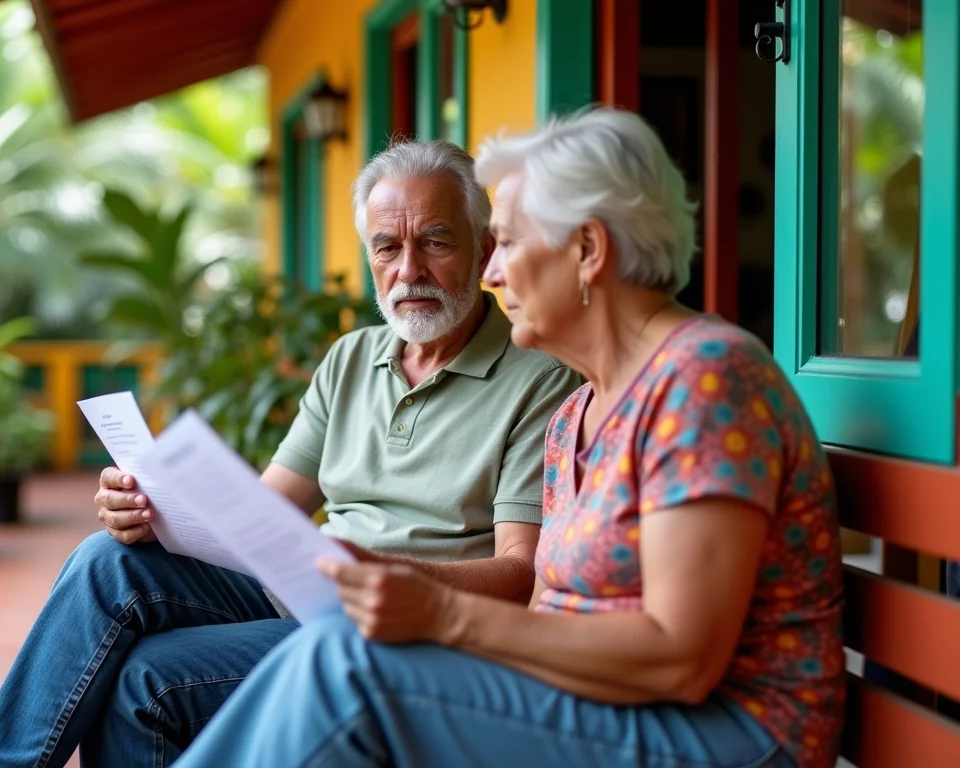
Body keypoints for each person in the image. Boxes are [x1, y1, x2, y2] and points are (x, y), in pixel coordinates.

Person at [173, 107, 846, 768]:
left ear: (587, 250)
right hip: (594, 702)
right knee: (327, 652)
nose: (491, 274)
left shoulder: (705, 382)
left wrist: (441, 615)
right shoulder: (578, 411)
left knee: (347, 668)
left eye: (511, 243)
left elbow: (681, 660)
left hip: (725, 733)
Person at [0, 140, 582, 768]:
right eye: (387, 247)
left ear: (482, 249)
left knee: (146, 677)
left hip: (403, 627)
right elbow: (263, 509)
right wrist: (152, 510)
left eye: (437, 242)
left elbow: (517, 575)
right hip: (306, 588)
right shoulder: (351, 359)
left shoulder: (539, 380)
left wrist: (377, 567)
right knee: (106, 560)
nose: (409, 270)